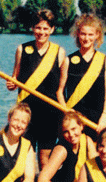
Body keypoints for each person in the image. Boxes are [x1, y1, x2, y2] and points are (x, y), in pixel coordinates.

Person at [6, 9, 68, 170]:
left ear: (52, 30)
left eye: (46, 28)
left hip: (50, 114)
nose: (41, 32)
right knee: (25, 154)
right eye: (38, 28)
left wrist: (66, 113)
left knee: (44, 157)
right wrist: (11, 85)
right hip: (26, 113)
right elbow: (14, 80)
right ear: (32, 28)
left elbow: (62, 89)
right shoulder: (22, 50)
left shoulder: (59, 53)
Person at [56, 14, 106, 140]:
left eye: (90, 34)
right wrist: (67, 113)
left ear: (97, 35)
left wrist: (104, 116)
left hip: (96, 121)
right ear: (77, 34)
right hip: (73, 122)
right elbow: (59, 92)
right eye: (83, 34)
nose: (86, 38)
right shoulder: (68, 61)